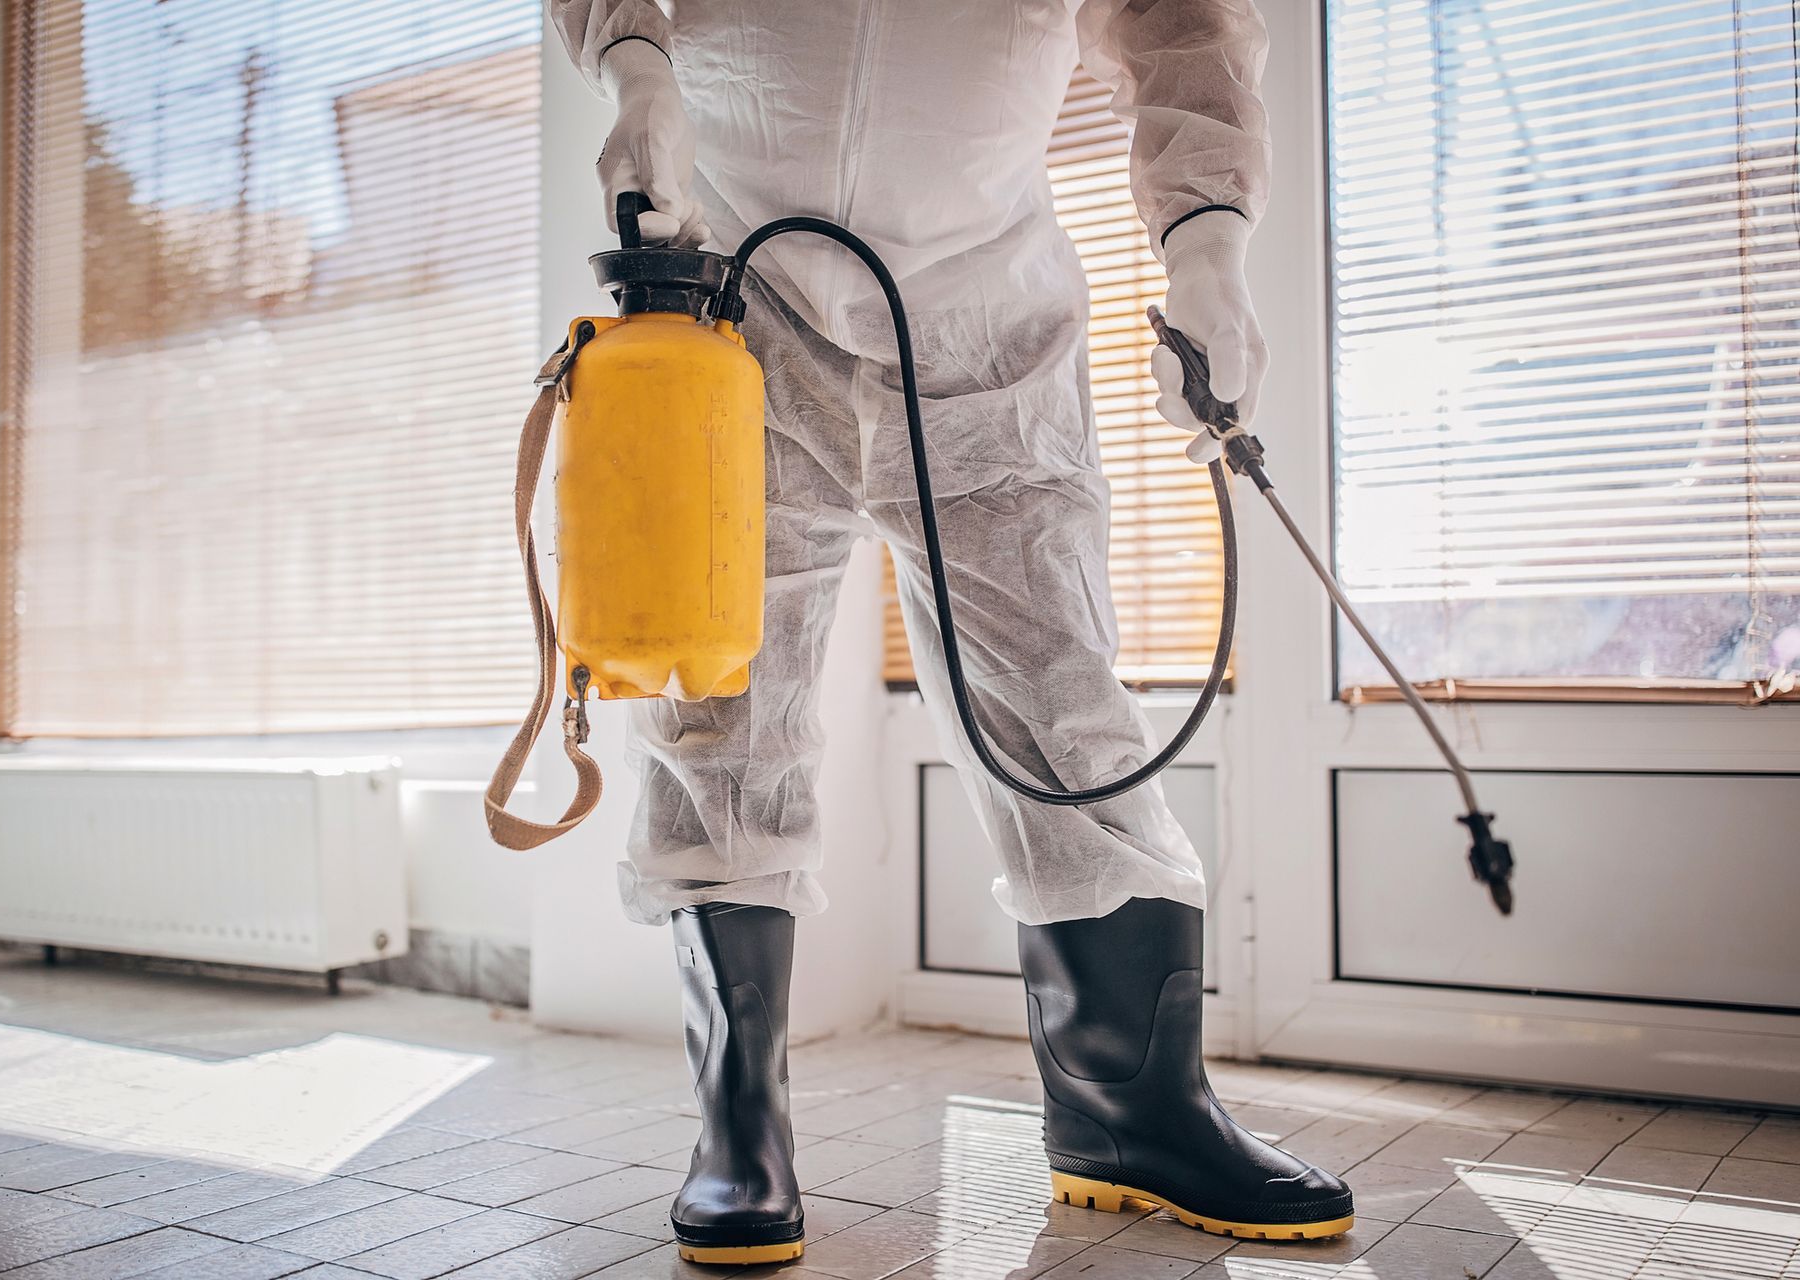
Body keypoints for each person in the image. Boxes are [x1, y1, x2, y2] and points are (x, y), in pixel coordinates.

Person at [549, 0, 1355, 1264]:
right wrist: (636, 63)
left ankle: (1127, 1108)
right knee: (723, 705)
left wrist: (1207, 241)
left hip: (989, 308)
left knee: (1065, 702)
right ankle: (739, 1121)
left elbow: (1183, 22)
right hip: (731, 287)